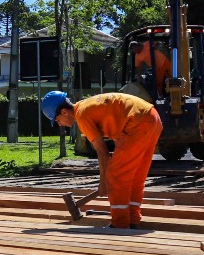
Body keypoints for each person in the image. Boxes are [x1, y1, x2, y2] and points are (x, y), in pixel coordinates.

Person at [42, 90, 163, 229]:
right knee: (135, 175)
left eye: (57, 120)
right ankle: (133, 219)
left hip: (137, 124)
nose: (59, 124)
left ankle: (120, 224)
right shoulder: (86, 107)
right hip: (152, 118)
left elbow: (103, 152)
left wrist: (103, 183)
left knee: (115, 176)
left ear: (64, 112)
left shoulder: (82, 116)